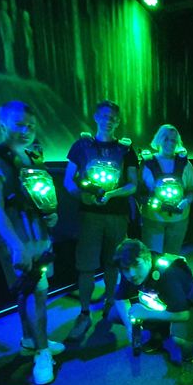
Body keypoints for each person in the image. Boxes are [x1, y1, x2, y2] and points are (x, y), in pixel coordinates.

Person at [0, 101, 64, 385]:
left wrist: (51, 215)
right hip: (18, 240)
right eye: (19, 125)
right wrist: (16, 245)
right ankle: (42, 352)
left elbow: (41, 195)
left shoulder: (31, 156)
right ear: (3, 126)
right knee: (35, 293)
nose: (26, 131)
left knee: (30, 292)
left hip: (38, 236)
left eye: (31, 126)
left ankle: (30, 339)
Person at [63, 100, 138, 342]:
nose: (108, 121)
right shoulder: (81, 146)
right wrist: (85, 197)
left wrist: (112, 195)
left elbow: (132, 184)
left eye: (113, 118)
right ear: (96, 117)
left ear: (118, 122)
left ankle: (110, 303)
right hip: (90, 215)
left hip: (117, 215)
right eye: (105, 116)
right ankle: (84, 313)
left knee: (113, 263)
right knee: (86, 265)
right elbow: (68, 181)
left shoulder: (127, 150)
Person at [111, 239, 193, 385]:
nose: (132, 273)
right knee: (115, 314)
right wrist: (130, 326)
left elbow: (183, 314)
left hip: (187, 307)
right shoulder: (129, 267)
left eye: (137, 265)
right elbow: (120, 299)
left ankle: (189, 360)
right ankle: (159, 332)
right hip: (161, 302)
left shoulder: (168, 272)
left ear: (147, 258)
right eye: (126, 269)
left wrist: (146, 314)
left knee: (180, 338)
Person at [139, 124, 193, 255]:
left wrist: (186, 201)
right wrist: (148, 201)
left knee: (172, 257)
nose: (170, 143)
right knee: (153, 256)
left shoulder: (186, 164)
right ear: (159, 140)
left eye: (173, 140)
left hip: (179, 219)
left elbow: (192, 189)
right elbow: (138, 189)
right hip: (153, 219)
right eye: (166, 139)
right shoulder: (147, 163)